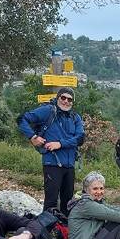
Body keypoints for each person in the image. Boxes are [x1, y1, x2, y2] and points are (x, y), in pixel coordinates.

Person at [17, 87, 85, 215]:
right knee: (51, 201)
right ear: (58, 98)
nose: (66, 101)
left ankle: (63, 232)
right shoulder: (48, 111)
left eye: (70, 99)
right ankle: (46, 232)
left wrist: (60, 144)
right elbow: (22, 119)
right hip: (52, 163)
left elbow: (80, 138)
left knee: (68, 202)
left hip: (69, 165)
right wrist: (33, 137)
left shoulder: (75, 117)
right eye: (63, 98)